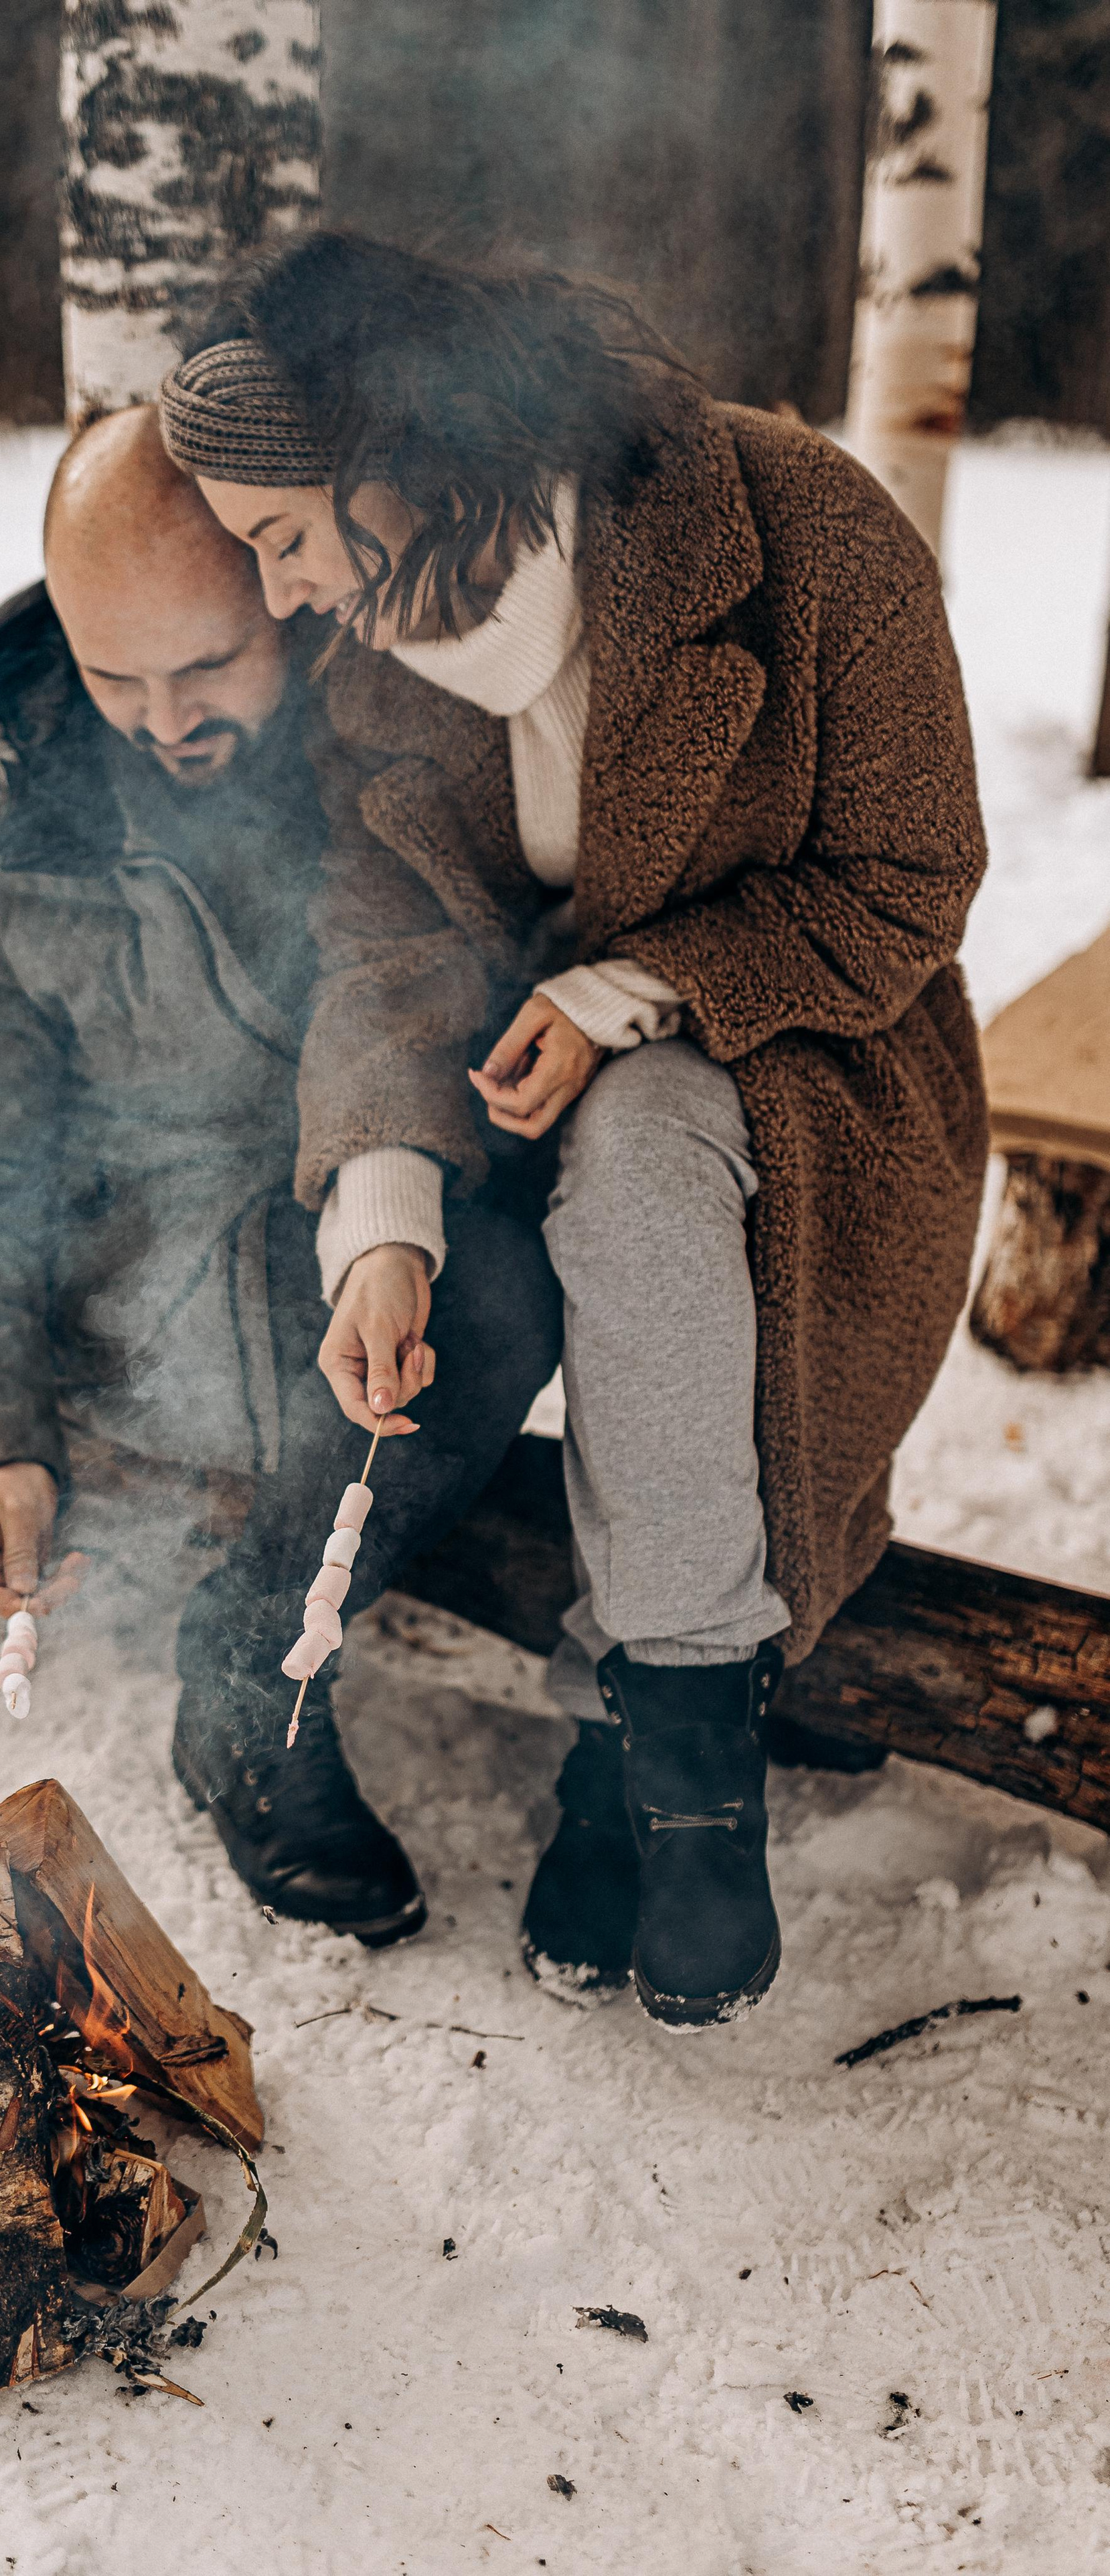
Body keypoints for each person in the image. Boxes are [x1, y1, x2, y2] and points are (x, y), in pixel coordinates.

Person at [159, 232, 989, 2030]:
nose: (282, 595)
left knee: (639, 1160)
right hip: (502, 1088)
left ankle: (670, 1755)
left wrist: (634, 996)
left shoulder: (805, 535)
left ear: (404, 458)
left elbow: (914, 884)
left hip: (808, 1077)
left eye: (286, 537)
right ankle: (260, 1667)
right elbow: (381, 944)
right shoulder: (380, 663)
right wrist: (380, 1213)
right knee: (465, 1288)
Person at [0, 404, 560, 1951]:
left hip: (363, 1243)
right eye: (115, 676)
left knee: (501, 1288)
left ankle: (245, 1667)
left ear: (289, 601)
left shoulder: (397, 763)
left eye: (206, 668)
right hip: (132, 1309)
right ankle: (259, 1712)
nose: (161, 719)